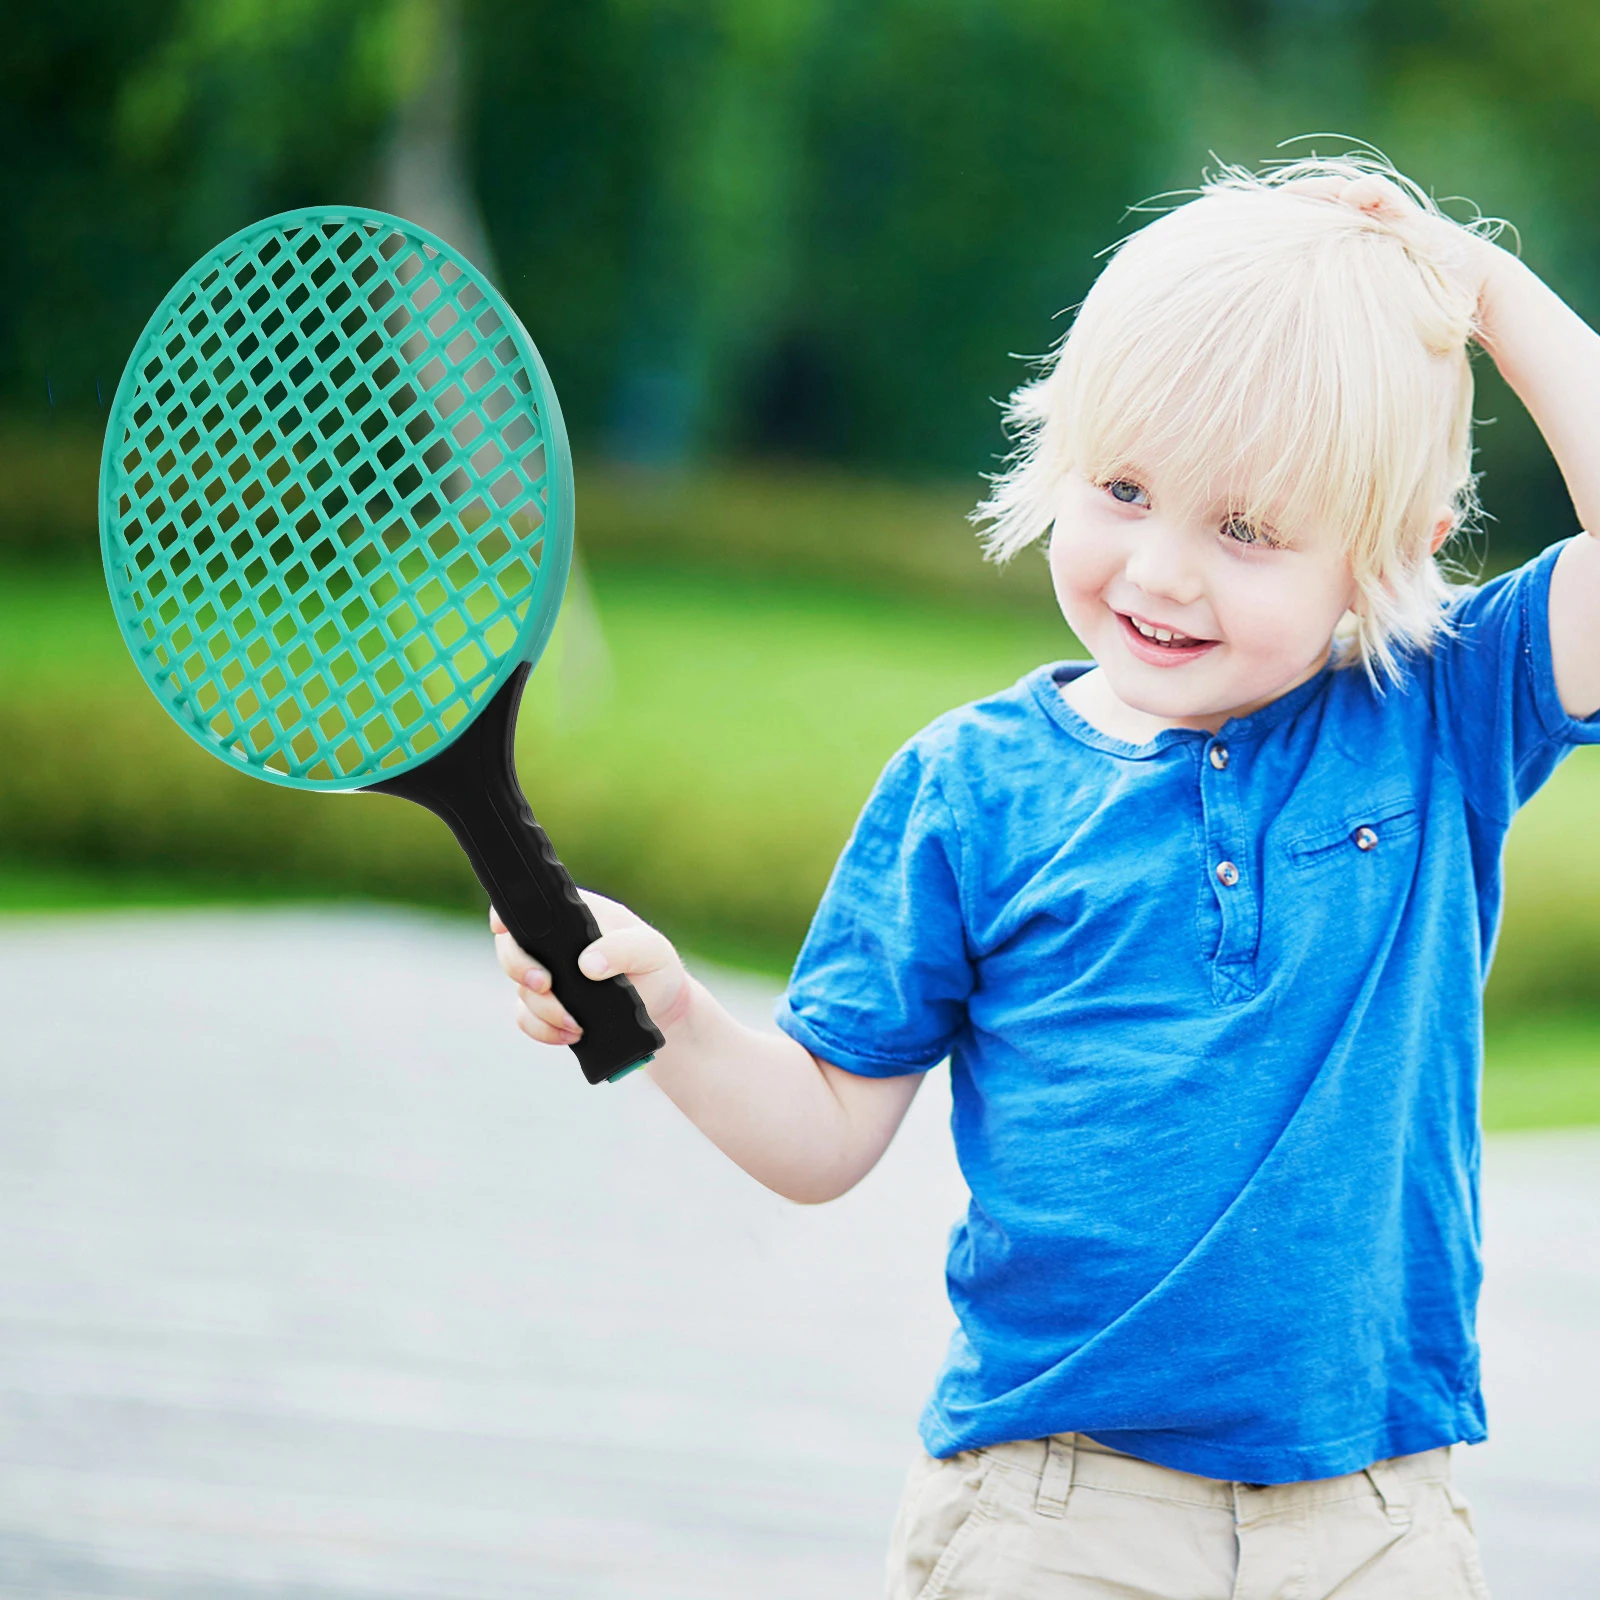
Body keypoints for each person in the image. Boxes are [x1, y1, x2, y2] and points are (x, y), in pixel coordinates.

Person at [493, 153, 1600, 1597]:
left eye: (1247, 530)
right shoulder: (972, 789)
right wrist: (678, 1020)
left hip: (1373, 1515)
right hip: (1057, 1507)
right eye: (1124, 489)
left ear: (1396, 550)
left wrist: (1484, 286)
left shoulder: (1438, 715)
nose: (1163, 571)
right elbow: (824, 1132)